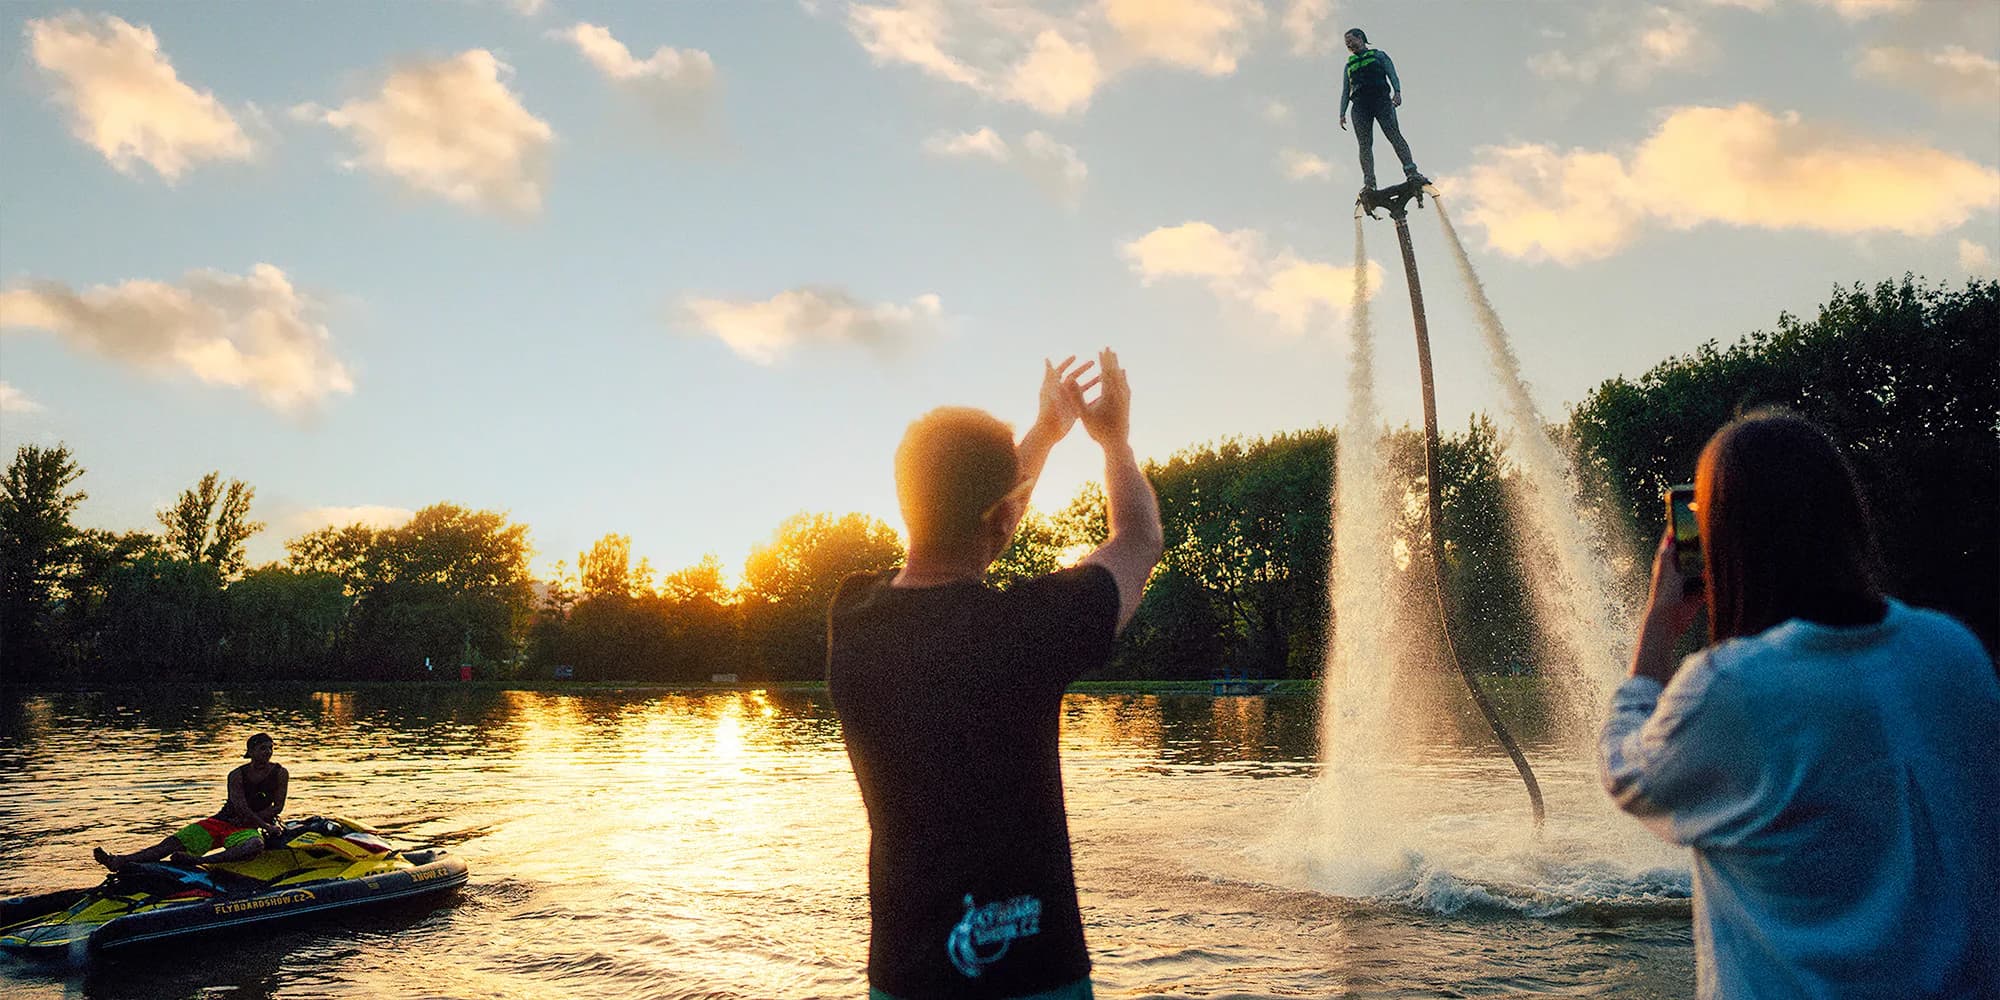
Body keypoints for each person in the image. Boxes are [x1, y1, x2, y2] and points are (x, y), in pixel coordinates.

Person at [1599, 410, 1998, 999]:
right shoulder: (1954, 651)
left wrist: (1659, 625)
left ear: (1722, 540)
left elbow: (1626, 771)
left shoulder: (1730, 686)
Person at [828, 351, 1164, 1000]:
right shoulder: (1029, 631)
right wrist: (1112, 440)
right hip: (1036, 975)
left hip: (903, 979)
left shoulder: (855, 616)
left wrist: (1042, 435)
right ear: (1005, 517)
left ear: (906, 501)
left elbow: (982, 523)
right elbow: (1139, 539)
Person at [94, 732, 290, 871]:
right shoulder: (236, 775)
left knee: (255, 844)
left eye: (270, 748)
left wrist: (261, 825)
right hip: (221, 822)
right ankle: (119, 861)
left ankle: (199, 861)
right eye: (263, 748)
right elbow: (239, 805)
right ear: (251, 751)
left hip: (247, 828)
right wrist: (263, 823)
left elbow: (278, 806)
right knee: (172, 843)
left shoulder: (280, 773)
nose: (268, 752)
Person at [1338, 27, 1428, 193]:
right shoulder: (1348, 65)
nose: (1349, 45)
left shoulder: (1379, 55)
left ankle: (1411, 171)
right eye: (1347, 44)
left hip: (1381, 101)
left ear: (1361, 38)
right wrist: (1342, 112)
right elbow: (1345, 90)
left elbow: (1392, 73)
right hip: (1360, 106)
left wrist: (1397, 92)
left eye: (1351, 41)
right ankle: (1369, 182)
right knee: (1364, 145)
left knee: (1393, 134)